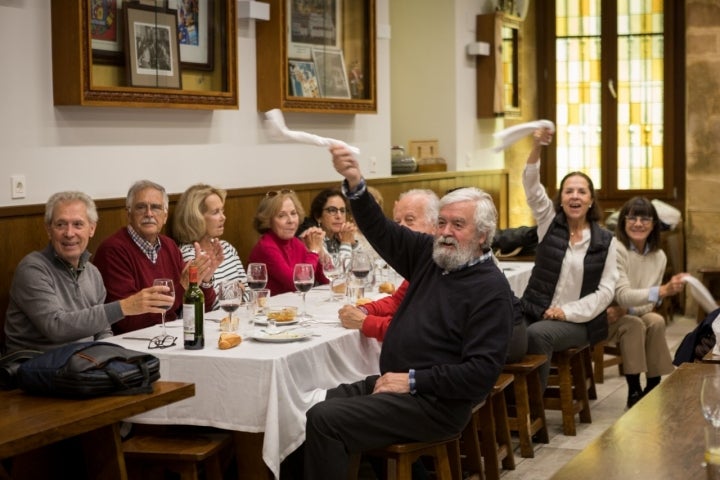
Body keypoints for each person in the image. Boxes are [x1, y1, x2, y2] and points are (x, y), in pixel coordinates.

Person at [300, 145, 514, 479]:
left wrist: (413, 381)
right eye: (441, 222)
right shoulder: (432, 256)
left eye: (458, 224)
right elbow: (383, 231)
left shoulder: (491, 290)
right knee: (312, 402)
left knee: (326, 419)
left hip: (436, 402)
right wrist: (355, 182)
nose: (445, 232)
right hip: (398, 383)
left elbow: (480, 374)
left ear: (483, 235)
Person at [4, 191, 174, 353]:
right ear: (49, 230)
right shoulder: (32, 269)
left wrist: (109, 355)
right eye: (61, 224)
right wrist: (124, 307)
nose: (69, 233)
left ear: (92, 229)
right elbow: (56, 327)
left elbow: (103, 331)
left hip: (83, 363)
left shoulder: (92, 272)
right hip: (37, 367)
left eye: (78, 224)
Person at [521, 128, 619, 390]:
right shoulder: (548, 223)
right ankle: (508, 409)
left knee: (537, 335)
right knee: (501, 332)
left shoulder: (606, 241)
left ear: (590, 200)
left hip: (580, 322)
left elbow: (606, 291)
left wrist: (567, 312)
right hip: (535, 310)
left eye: (581, 192)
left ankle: (532, 410)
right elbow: (531, 187)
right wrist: (537, 145)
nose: (575, 196)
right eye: (568, 191)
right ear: (561, 199)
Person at [93, 180, 222, 334]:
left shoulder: (169, 246)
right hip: (135, 344)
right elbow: (128, 322)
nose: (149, 213)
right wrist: (182, 286)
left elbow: (200, 310)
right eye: (141, 207)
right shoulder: (113, 250)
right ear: (129, 214)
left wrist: (205, 280)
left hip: (170, 336)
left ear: (165, 216)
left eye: (155, 207)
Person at [608, 196, 686, 407]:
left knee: (656, 320)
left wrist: (628, 309)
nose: (639, 223)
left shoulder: (659, 256)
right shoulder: (616, 249)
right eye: (632, 218)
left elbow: (650, 304)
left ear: (654, 224)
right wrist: (660, 291)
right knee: (635, 324)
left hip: (627, 311)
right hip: (608, 313)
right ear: (623, 221)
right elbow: (621, 295)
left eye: (645, 218)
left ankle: (653, 385)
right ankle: (634, 389)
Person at [337, 188, 439, 341]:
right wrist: (363, 310)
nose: (401, 227)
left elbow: (421, 332)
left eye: (409, 220)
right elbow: (397, 302)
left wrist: (364, 322)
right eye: (397, 222)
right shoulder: (425, 259)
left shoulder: (446, 263)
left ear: (436, 226)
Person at [172, 183, 248, 306]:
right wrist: (237, 289)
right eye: (215, 212)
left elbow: (249, 293)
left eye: (222, 211)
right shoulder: (188, 255)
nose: (223, 217)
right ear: (196, 218)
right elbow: (211, 306)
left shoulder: (227, 248)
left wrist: (233, 291)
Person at [247, 189, 328, 295]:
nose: (291, 220)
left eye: (294, 213)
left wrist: (320, 251)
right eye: (282, 215)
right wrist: (313, 251)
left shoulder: (296, 242)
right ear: (268, 221)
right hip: (270, 309)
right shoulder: (266, 246)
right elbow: (296, 283)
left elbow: (326, 280)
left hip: (292, 306)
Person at [298, 188, 357, 257]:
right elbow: (335, 267)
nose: (339, 216)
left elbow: (364, 263)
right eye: (332, 210)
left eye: (342, 210)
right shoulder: (313, 238)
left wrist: (353, 244)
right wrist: (346, 243)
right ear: (318, 216)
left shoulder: (339, 237)